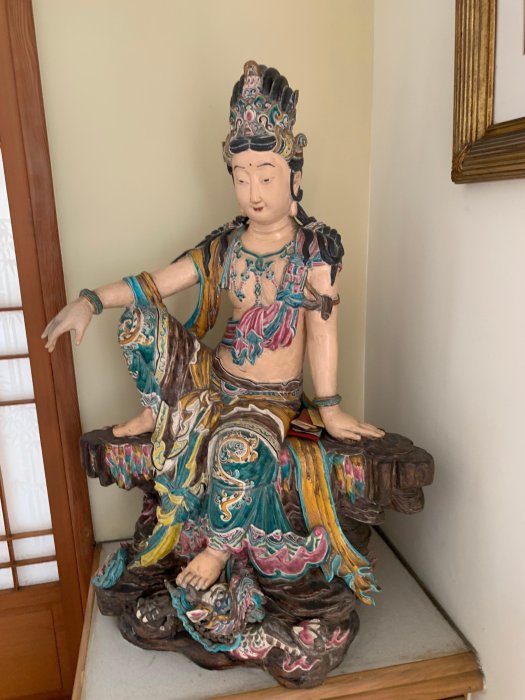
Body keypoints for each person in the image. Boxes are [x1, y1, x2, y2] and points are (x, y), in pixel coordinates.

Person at [43, 60, 384, 598]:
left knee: (233, 449)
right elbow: (155, 285)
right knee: (139, 323)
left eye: (266, 176)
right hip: (212, 377)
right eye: (242, 177)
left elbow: (322, 331)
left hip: (266, 398)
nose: (253, 191)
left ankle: (219, 548)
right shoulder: (226, 244)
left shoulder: (314, 250)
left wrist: (331, 407)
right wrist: (89, 301)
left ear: (294, 175)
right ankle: (159, 408)